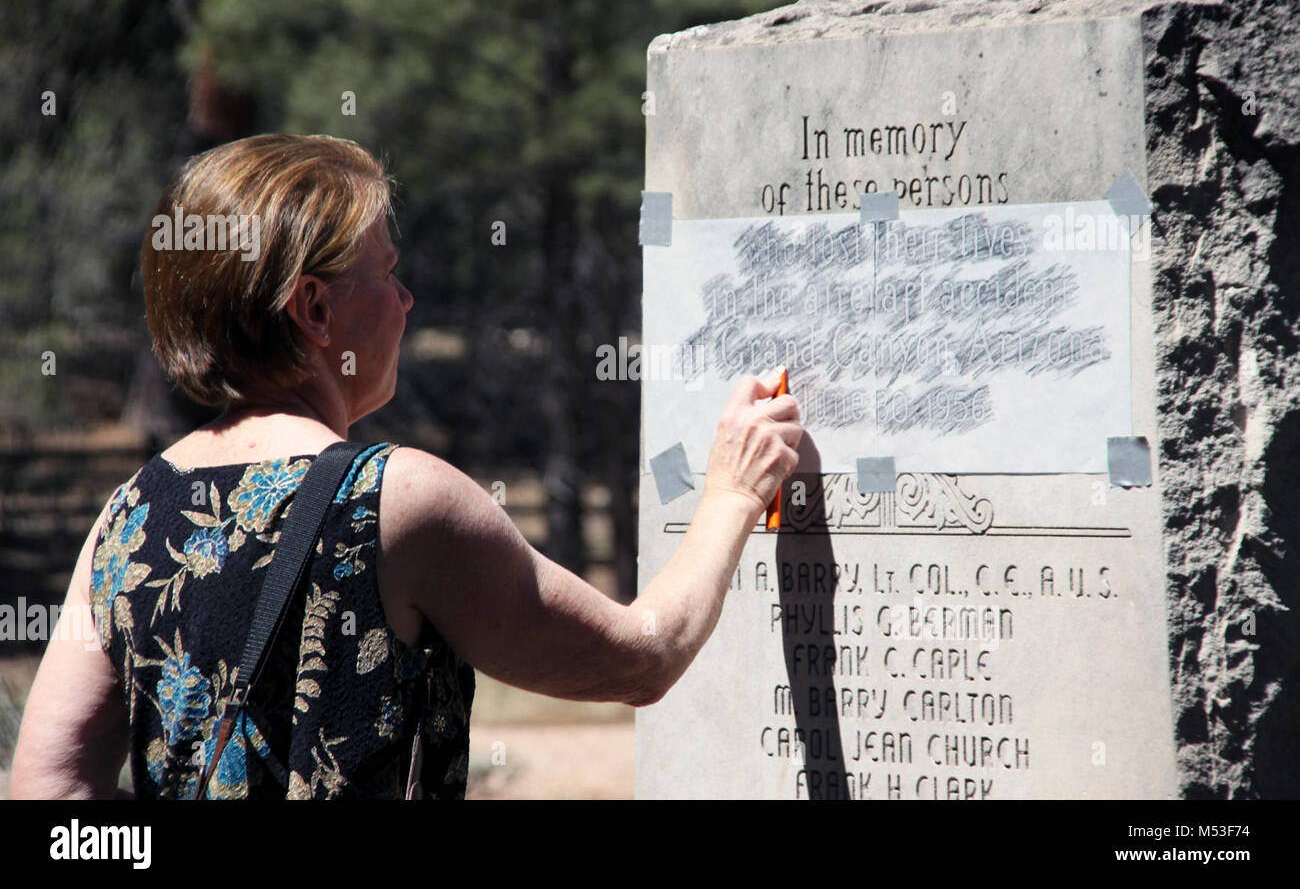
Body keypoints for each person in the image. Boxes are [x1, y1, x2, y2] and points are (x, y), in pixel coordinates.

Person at [9, 133, 801, 799]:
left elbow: (50, 791)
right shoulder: (395, 501)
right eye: (386, 274)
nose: (408, 301)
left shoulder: (129, 517)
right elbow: (640, 658)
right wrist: (732, 491)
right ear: (315, 310)